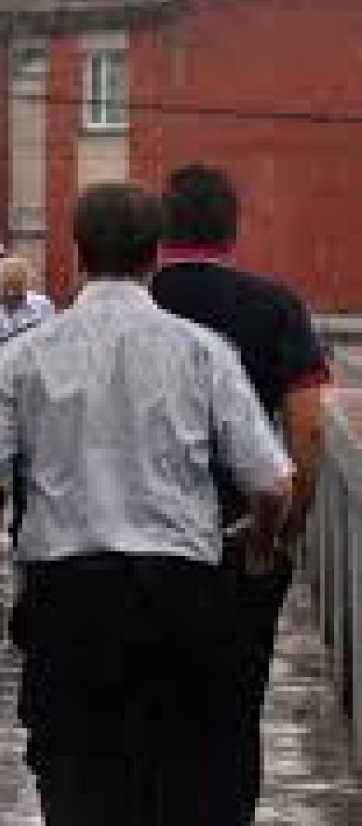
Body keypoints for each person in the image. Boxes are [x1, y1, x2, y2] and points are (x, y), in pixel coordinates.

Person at [0, 183, 294, 825]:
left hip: (68, 600)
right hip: (180, 595)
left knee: (79, 786)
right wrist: (259, 542)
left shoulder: (25, 355)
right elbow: (272, 483)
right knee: (179, 784)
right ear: (154, 255)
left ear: (78, 254)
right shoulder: (202, 351)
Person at [151, 163, 330, 823]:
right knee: (231, 716)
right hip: (240, 541)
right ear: (232, 229)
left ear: (163, 230)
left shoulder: (129, 303)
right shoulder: (275, 306)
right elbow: (308, 428)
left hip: (138, 546)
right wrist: (284, 530)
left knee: (147, 712)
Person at [0, 253, 54, 543]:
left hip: (31, 397)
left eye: (19, 289)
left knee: (24, 466)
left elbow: (49, 349)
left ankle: (21, 531)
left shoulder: (42, 307)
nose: (14, 295)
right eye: (9, 289)